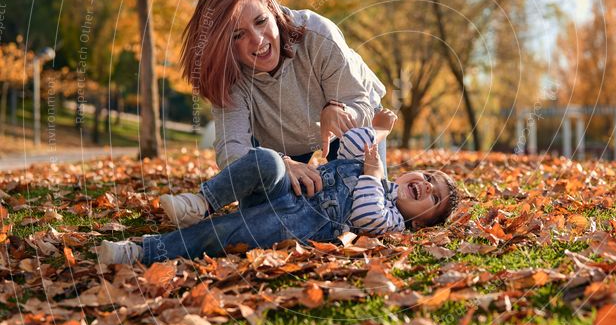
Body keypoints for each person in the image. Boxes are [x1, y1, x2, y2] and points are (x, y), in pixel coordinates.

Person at [97, 109, 459, 265]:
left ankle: (142, 252)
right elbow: (349, 144)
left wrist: (372, 170)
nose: (426, 186)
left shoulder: (392, 220)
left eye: (434, 196)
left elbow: (366, 216)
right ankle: (202, 201)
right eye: (428, 177)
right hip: (286, 191)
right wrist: (380, 133)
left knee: (223, 233)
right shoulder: (376, 169)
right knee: (267, 158)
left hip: (294, 225)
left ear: (422, 223)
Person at [181, 0, 386, 199]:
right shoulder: (229, 74)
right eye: (238, 35)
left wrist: (339, 110)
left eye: (261, 21)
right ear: (224, 45)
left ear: (273, 9)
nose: (258, 40)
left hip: (346, 129)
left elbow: (359, 102)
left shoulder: (317, 35)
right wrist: (278, 164)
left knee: (366, 203)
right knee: (263, 207)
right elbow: (233, 150)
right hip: (280, 142)